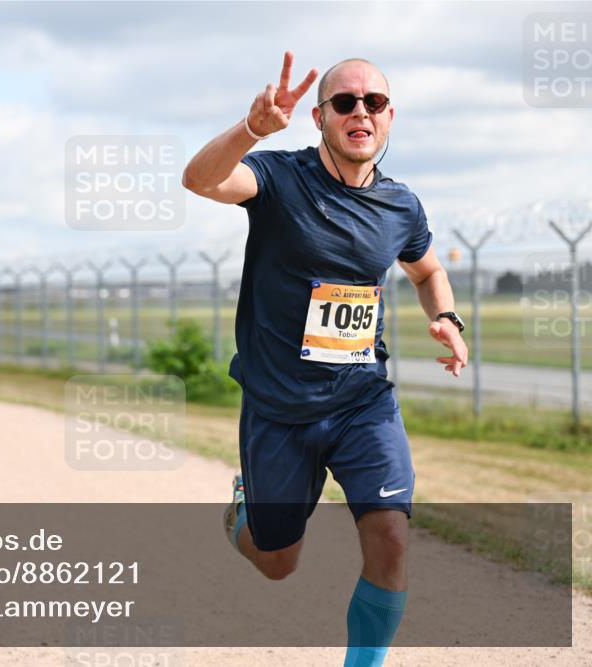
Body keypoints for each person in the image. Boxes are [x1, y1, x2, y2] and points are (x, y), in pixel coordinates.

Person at [183, 52, 468, 666]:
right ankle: (243, 509)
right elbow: (200, 181)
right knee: (277, 562)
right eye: (345, 102)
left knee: (391, 536)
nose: (360, 111)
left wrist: (445, 317)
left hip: (362, 400)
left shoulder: (401, 206)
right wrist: (251, 130)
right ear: (320, 117)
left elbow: (428, 271)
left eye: (374, 102)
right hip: (279, 408)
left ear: (389, 117)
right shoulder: (279, 178)